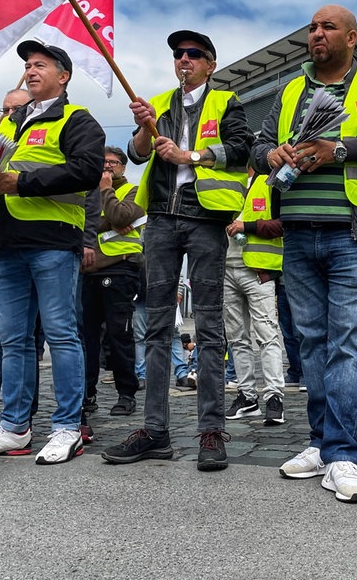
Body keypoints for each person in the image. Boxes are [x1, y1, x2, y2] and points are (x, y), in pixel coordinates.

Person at [252, 4, 357, 503]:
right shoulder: (290, 90)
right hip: (298, 232)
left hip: (356, 233)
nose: (317, 33)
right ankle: (321, 444)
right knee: (313, 343)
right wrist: (272, 154)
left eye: (328, 27)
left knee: (348, 341)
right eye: (312, 27)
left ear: (351, 37)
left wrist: (340, 148)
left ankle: (343, 452)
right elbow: (257, 146)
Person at [101, 29, 252, 472]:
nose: (183, 60)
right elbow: (136, 151)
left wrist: (192, 156)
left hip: (205, 219)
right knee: (157, 328)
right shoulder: (160, 103)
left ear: (210, 63)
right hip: (163, 221)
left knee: (208, 327)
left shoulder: (228, 102)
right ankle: (155, 431)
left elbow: (243, 148)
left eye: (193, 55)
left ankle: (210, 431)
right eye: (177, 55)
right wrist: (146, 129)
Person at [0, 40, 105, 464]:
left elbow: (86, 170)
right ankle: (14, 427)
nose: (30, 70)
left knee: (61, 334)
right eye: (27, 65)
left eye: (40, 64)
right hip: (7, 244)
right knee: (14, 340)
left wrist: (22, 184)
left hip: (52, 242)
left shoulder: (78, 119)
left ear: (64, 76)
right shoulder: (8, 123)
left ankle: (66, 427)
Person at [81, 146, 143, 417]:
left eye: (113, 163)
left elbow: (121, 217)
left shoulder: (134, 190)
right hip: (88, 272)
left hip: (120, 270)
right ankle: (87, 393)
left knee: (120, 336)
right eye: (102, 163)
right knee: (87, 339)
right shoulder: (85, 191)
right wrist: (108, 220)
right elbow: (81, 223)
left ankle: (126, 394)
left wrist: (106, 190)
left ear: (123, 167)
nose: (107, 167)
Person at [223, 174, 286, 425]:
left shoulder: (269, 183)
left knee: (267, 335)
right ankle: (247, 397)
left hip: (258, 271)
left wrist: (246, 226)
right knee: (237, 338)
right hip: (226, 269)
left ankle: (274, 398)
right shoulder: (223, 183)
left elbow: (285, 224)